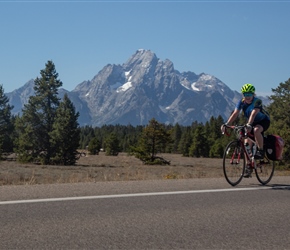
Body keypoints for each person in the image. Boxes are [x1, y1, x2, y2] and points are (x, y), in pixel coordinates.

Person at [221, 83, 270, 177]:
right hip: (251, 123)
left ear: (253, 94)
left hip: (263, 121)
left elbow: (253, 114)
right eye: (245, 94)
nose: (247, 96)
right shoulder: (241, 102)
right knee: (246, 144)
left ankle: (261, 150)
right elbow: (235, 113)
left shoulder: (257, 101)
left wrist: (249, 124)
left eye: (249, 94)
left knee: (256, 130)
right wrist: (227, 124)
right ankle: (248, 166)